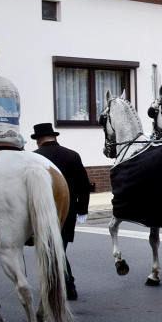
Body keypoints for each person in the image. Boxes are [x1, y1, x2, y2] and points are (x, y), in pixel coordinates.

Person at [31, 123, 91, 300]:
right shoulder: (72, 155)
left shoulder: (34, 157)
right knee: (59, 246)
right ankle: (64, 285)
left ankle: (66, 286)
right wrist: (82, 209)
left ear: (38, 140)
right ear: (54, 137)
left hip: (45, 209)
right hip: (69, 210)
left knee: (52, 248)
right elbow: (84, 185)